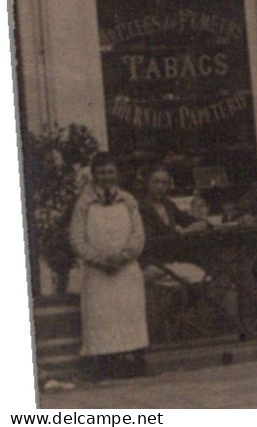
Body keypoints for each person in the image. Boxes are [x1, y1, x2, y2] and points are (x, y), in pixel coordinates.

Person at [69, 153, 148, 381]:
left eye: (110, 172)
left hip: (126, 271)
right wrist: (98, 260)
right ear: (94, 175)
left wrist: (124, 256)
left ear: (117, 174)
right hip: (97, 274)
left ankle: (133, 361)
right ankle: (104, 364)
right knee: (102, 317)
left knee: (128, 313)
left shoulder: (128, 200)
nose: (105, 177)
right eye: (101, 172)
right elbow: (77, 238)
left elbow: (137, 234)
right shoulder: (84, 204)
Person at [137, 165, 208, 285]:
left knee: (202, 272)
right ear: (147, 184)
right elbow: (152, 241)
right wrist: (179, 233)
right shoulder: (141, 208)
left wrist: (193, 227)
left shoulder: (168, 205)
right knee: (197, 276)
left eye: (164, 183)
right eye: (156, 182)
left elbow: (194, 222)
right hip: (151, 264)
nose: (160, 187)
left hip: (170, 261)